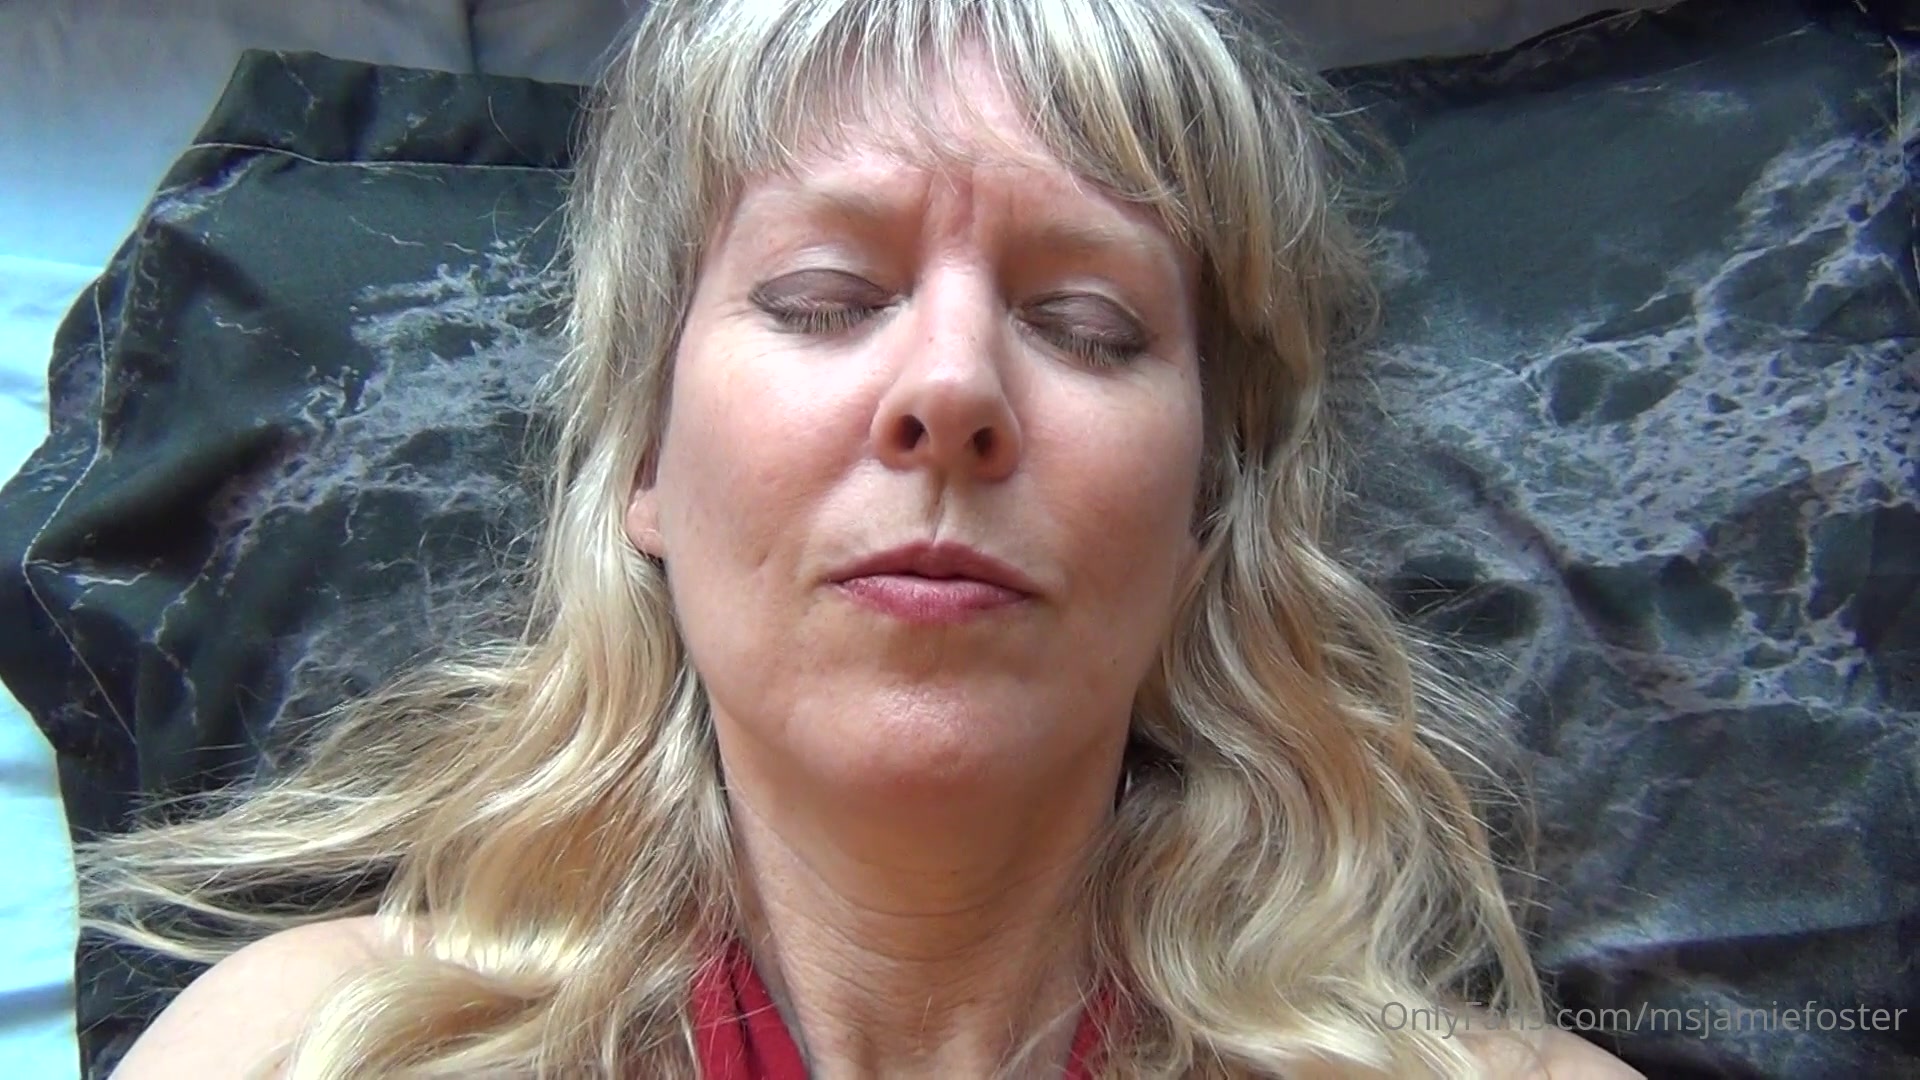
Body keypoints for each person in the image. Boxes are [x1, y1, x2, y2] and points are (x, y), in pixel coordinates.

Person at [91, 0, 1641, 1076]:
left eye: (1086, 325)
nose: (952, 387)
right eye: (823, 300)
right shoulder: (299, 1051)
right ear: (646, 460)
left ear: (1204, 520)